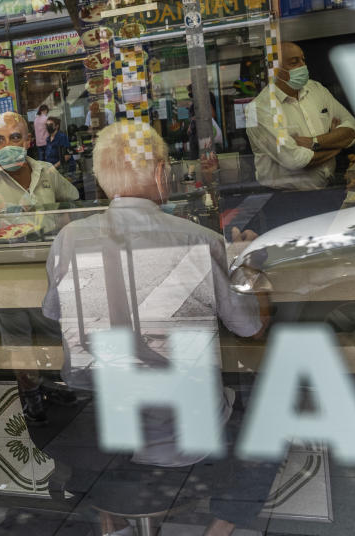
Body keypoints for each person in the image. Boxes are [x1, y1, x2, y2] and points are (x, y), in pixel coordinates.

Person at [41, 121, 275, 535]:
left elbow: (61, 317)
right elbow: (251, 327)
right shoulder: (198, 240)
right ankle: (219, 529)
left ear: (100, 179)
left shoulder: (68, 239)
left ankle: (113, 521)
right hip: (186, 443)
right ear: (160, 173)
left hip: (100, 440)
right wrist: (250, 267)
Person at [0, 112, 79, 425]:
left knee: (54, 333)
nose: (8, 144)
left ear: (28, 140)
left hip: (50, 276)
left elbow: (71, 201)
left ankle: (52, 382)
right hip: (6, 280)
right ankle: (31, 393)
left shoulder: (46, 174)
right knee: (19, 342)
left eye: (15, 137)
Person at [246, 41, 355, 191]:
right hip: (287, 199)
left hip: (328, 187)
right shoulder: (260, 109)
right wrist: (337, 144)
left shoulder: (316, 89)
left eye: (303, 60)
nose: (303, 66)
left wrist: (313, 142)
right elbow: (295, 160)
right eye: (294, 62)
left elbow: (354, 128)